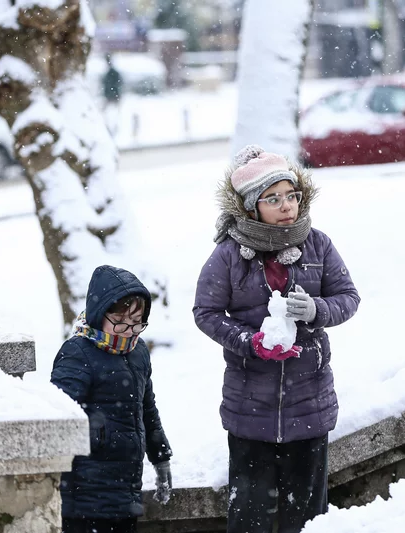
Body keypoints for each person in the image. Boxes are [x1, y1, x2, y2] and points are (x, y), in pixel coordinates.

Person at [193, 145, 360, 533]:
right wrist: (250, 342)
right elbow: (206, 313)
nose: (287, 206)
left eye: (292, 195)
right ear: (252, 207)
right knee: (249, 518)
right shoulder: (229, 255)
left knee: (308, 520)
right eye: (273, 199)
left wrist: (316, 309)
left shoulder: (318, 244)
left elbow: (348, 298)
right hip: (249, 407)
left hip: (310, 406)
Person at [51, 265, 173, 533]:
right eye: (120, 322)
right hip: (84, 495)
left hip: (125, 492)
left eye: (137, 322)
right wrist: (99, 438)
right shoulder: (77, 353)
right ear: (99, 315)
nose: (129, 331)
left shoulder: (137, 352)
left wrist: (160, 456)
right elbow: (58, 415)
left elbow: (147, 408)